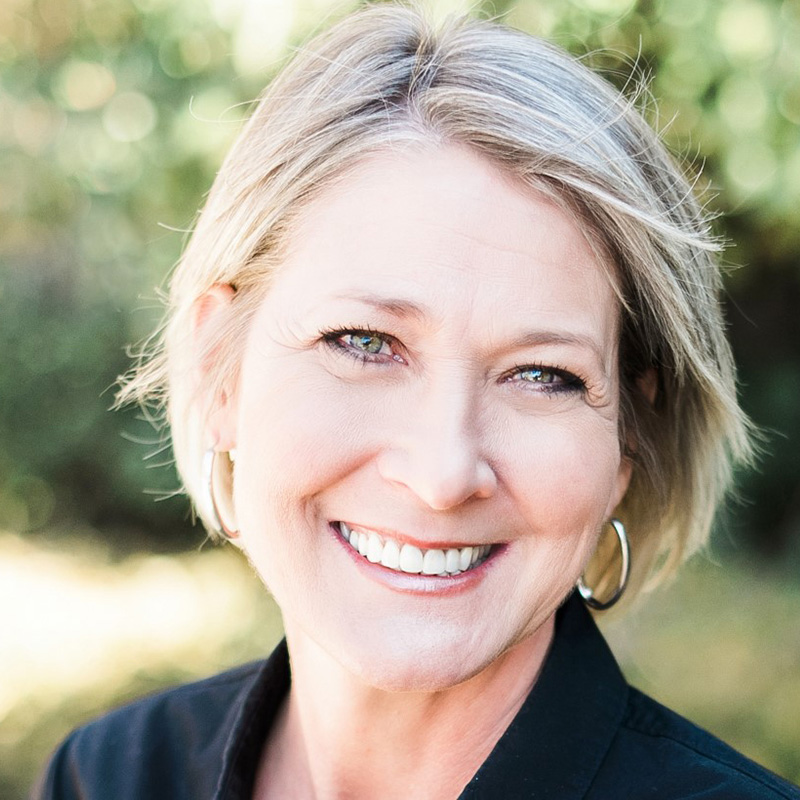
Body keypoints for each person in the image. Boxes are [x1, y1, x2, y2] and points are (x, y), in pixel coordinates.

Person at [32, 5, 800, 799]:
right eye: (364, 343)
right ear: (218, 370)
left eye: (543, 375)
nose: (442, 474)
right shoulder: (110, 775)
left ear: (625, 448)